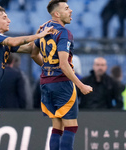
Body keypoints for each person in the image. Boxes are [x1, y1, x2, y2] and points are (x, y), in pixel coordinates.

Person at [0, 4, 53, 150]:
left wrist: (39, 38)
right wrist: (38, 35)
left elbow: (29, 48)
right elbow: (14, 41)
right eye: (4, 17)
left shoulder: (0, 41)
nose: (9, 20)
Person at [31, 0, 93, 149]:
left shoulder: (44, 29)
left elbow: (33, 54)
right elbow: (64, 64)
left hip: (46, 83)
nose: (70, 11)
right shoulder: (64, 33)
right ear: (57, 14)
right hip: (62, 84)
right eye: (66, 8)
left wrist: (48, 68)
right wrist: (81, 85)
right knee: (71, 127)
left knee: (57, 126)